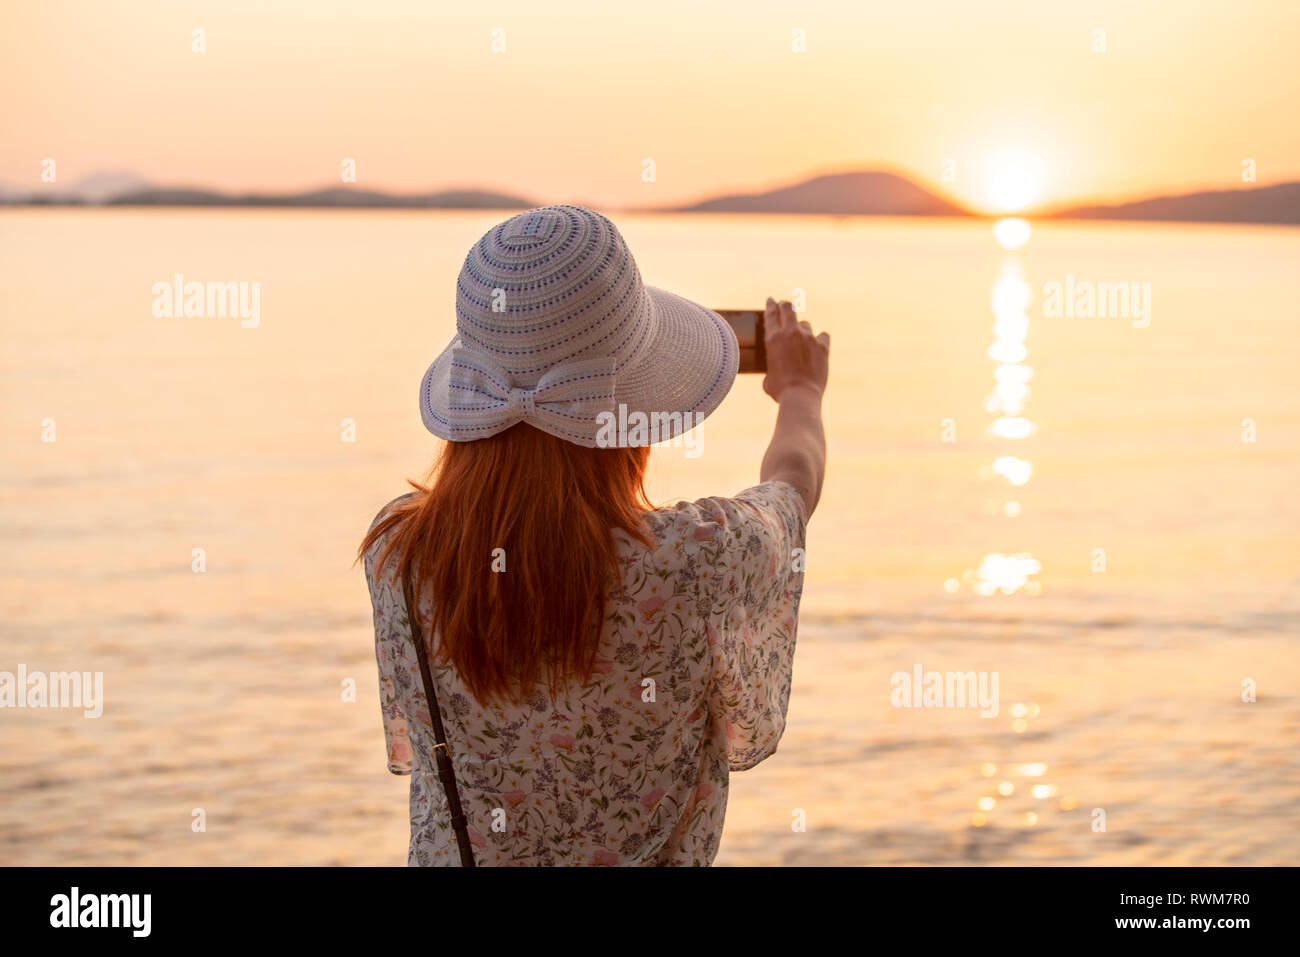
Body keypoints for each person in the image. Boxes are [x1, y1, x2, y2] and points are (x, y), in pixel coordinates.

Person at [360, 205, 829, 865]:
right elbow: (792, 487)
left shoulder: (398, 556)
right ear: (629, 410)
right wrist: (801, 390)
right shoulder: (694, 558)